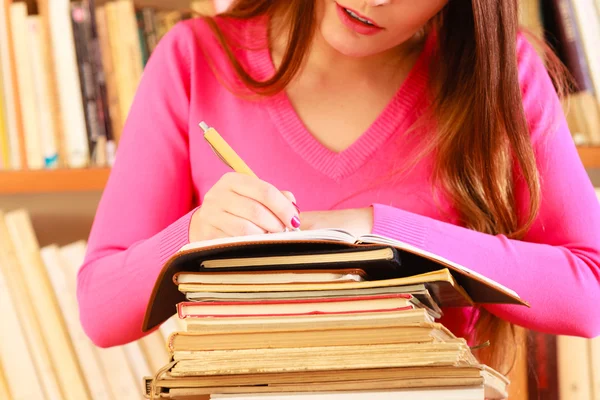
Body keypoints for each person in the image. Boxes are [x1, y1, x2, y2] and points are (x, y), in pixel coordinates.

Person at [77, 0, 600, 373]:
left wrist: (380, 231)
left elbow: (590, 290)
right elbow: (100, 309)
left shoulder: (497, 73)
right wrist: (193, 235)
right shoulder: (195, 58)